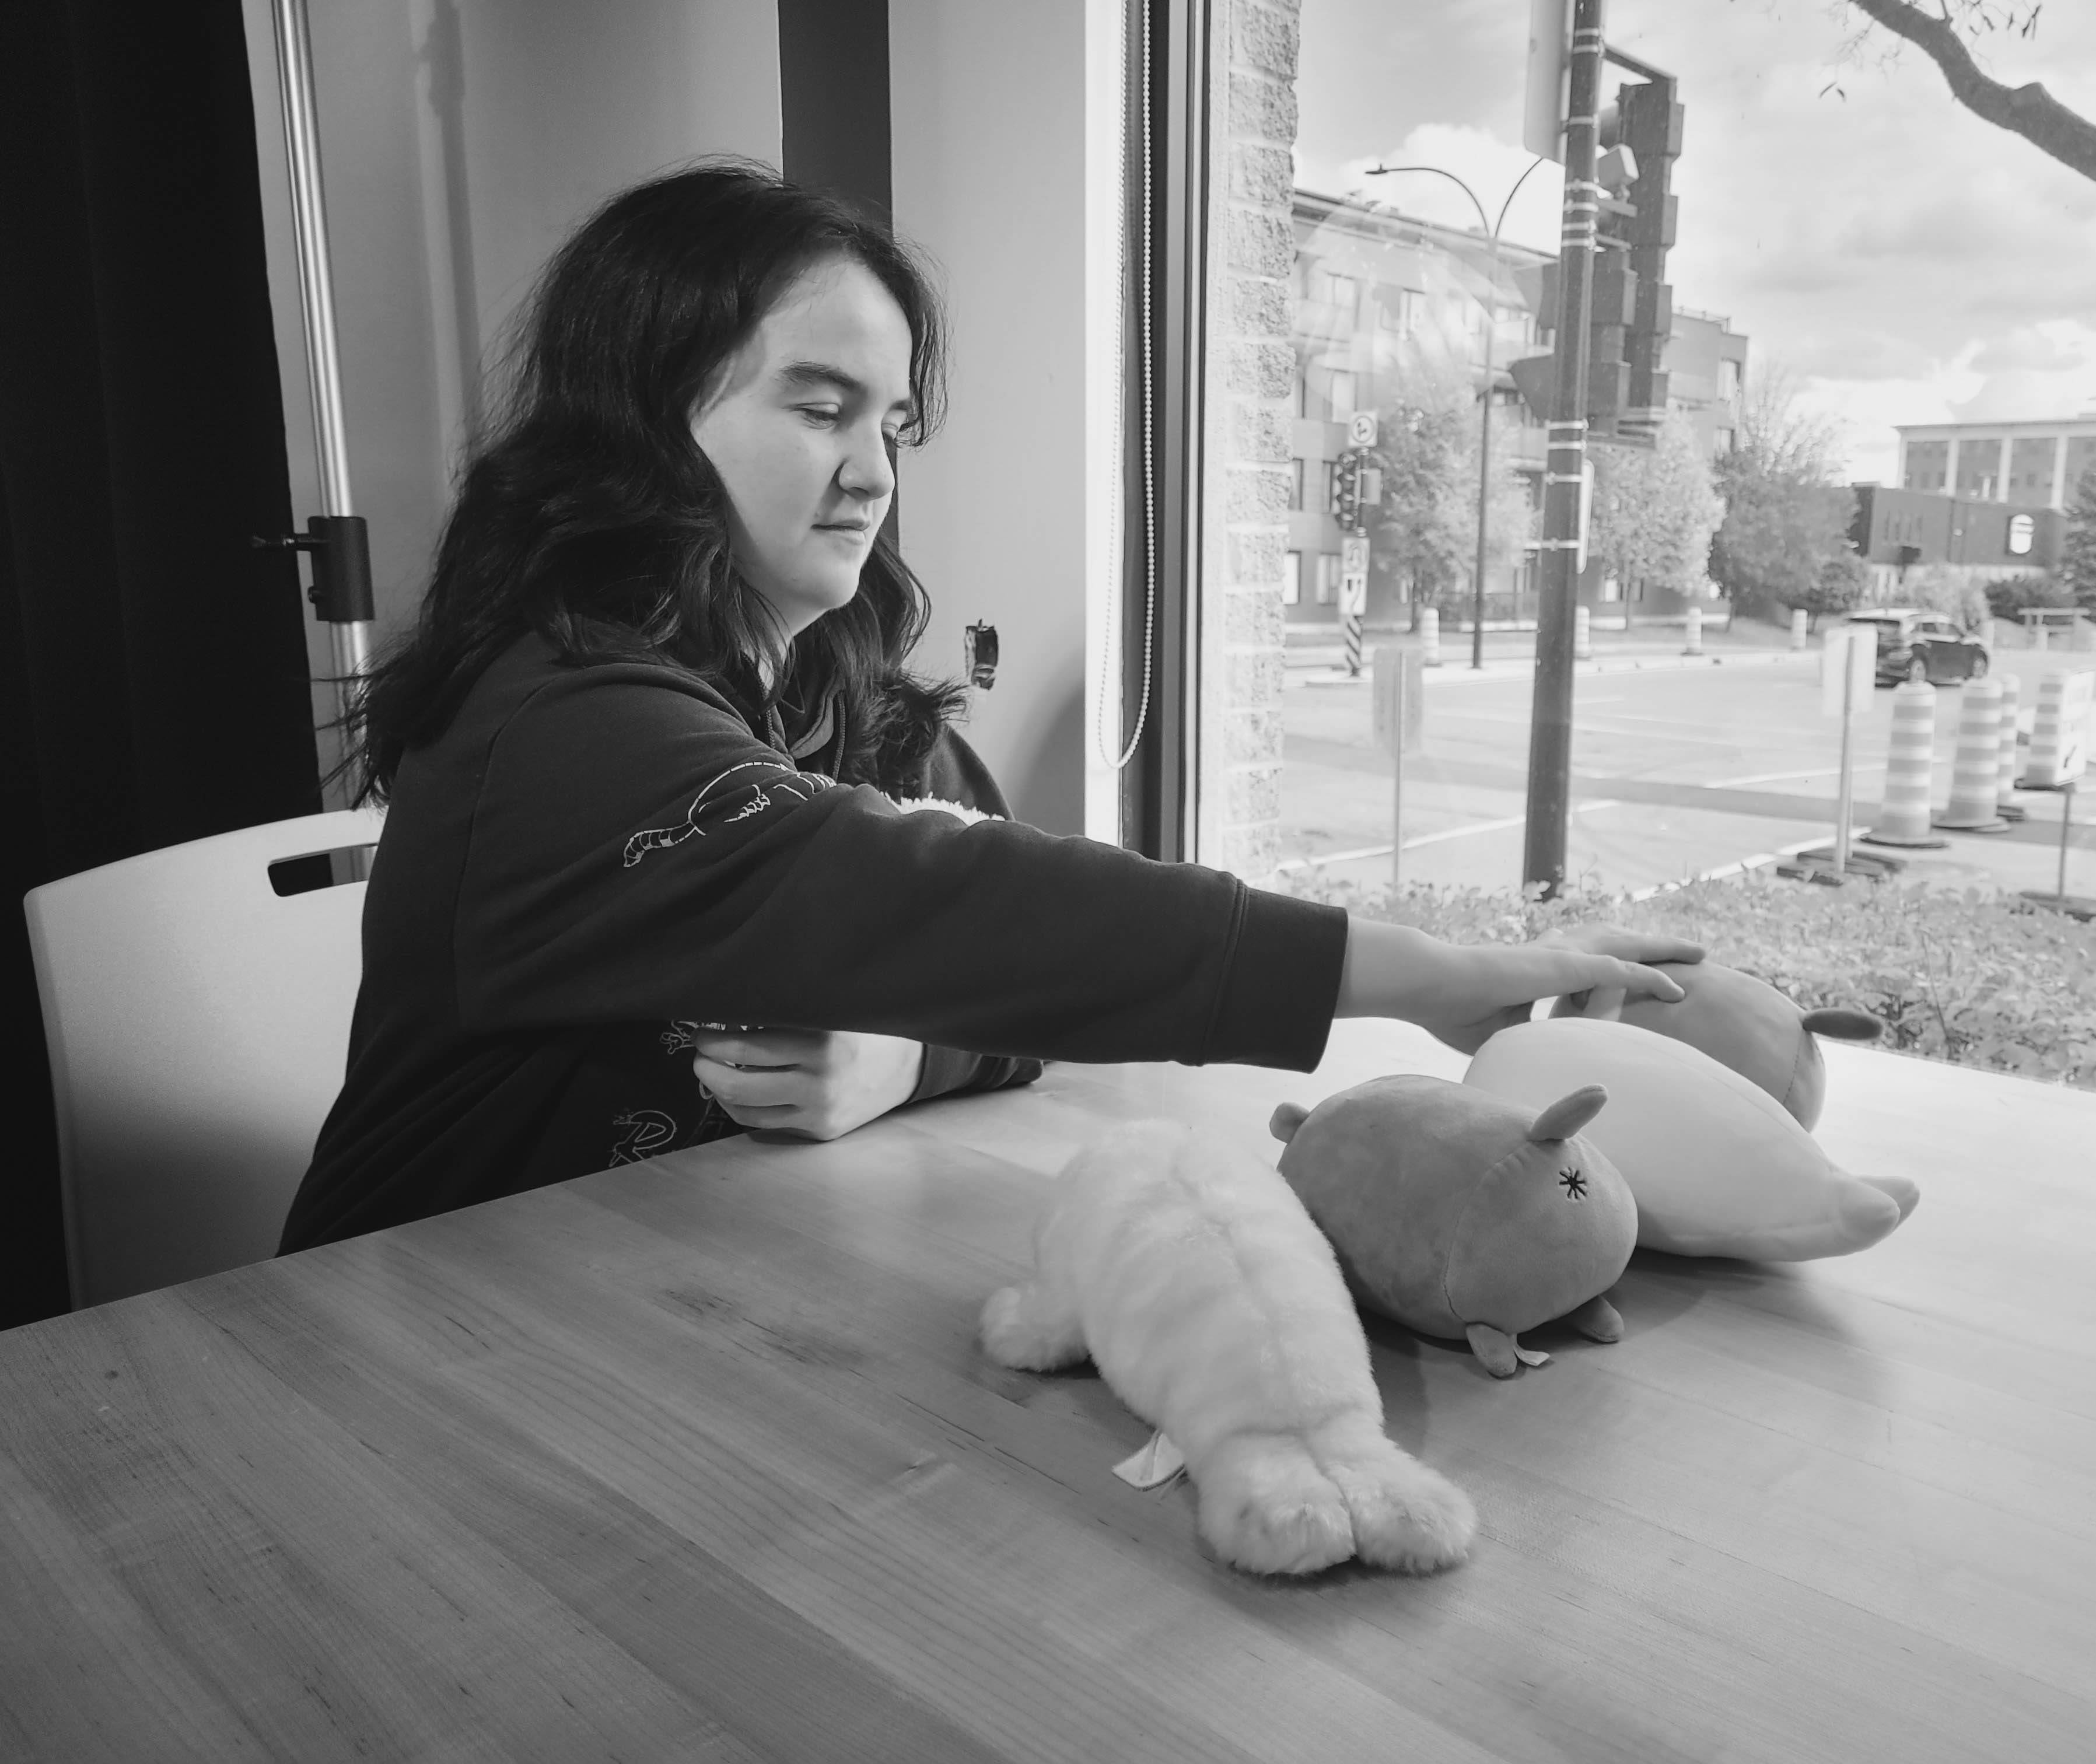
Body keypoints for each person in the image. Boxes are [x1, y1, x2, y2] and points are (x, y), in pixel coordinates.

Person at [278, 163, 1698, 1255]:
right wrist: (1429, 975)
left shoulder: (853, 708)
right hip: (409, 1345)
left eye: (891, 424)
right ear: (640, 421)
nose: (874, 474)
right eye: (819, 410)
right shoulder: (560, 729)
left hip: (675, 1300)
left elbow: (1018, 975)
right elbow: (953, 906)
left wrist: (905, 1058)